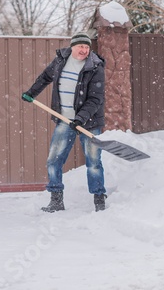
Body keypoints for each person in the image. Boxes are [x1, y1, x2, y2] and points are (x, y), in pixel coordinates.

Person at [22, 31, 107, 212]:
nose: (84, 50)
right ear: (72, 46)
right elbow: (45, 77)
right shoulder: (61, 60)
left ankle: (99, 200)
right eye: (80, 46)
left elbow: (95, 99)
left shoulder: (95, 66)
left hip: (89, 122)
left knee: (93, 162)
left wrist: (80, 119)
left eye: (86, 47)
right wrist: (31, 93)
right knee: (54, 160)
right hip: (64, 120)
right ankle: (56, 200)